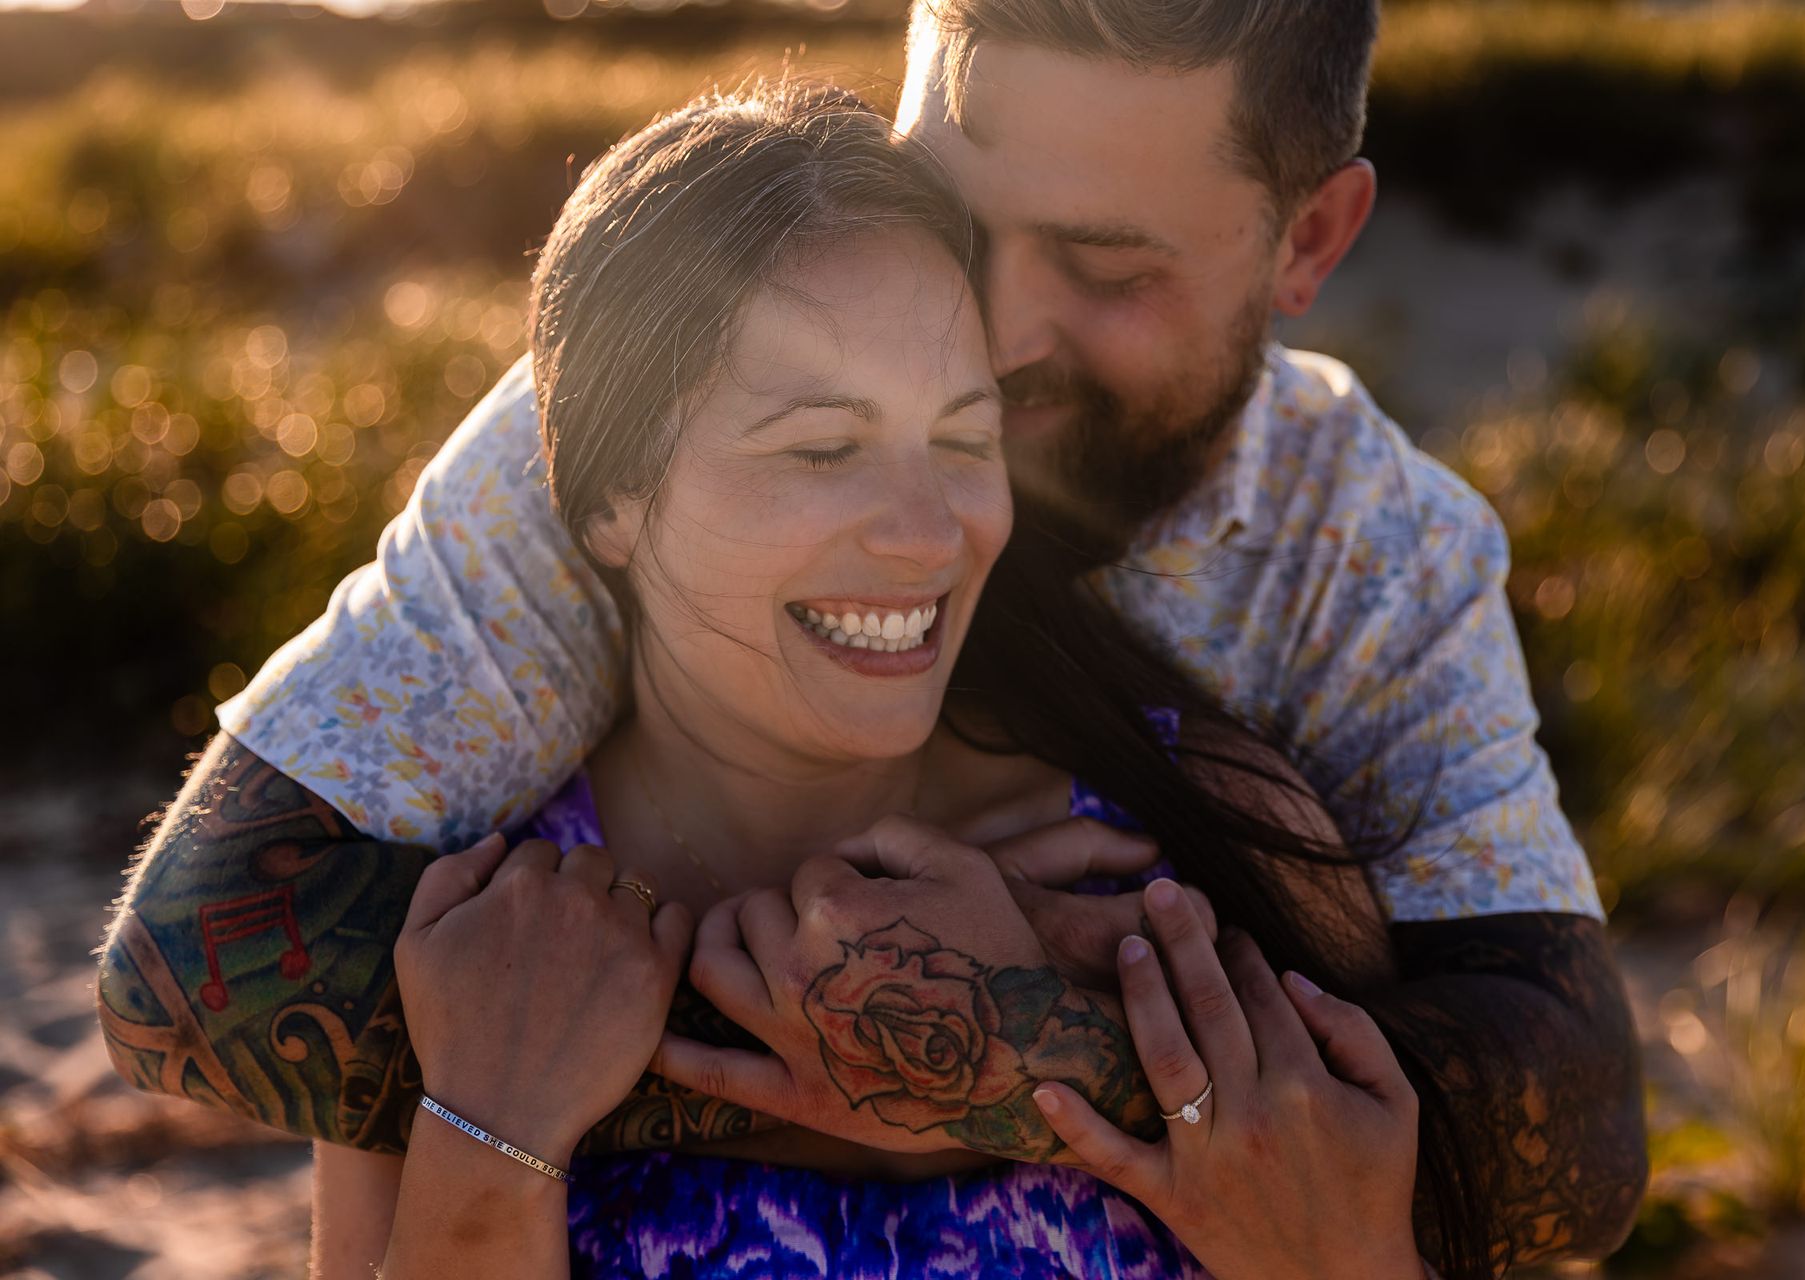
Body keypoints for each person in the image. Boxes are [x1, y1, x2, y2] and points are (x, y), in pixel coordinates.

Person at [95, 0, 1648, 1272]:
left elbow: (1569, 1130)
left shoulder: (1366, 557)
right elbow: (198, 960)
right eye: (954, 218)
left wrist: (1012, 1045)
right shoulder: (643, 420)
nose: (1001, 328)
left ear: (1310, 240)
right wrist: (885, 1026)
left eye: (1105, 267)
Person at [323, 81, 1440, 1278]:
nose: (928, 534)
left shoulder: (1195, 852)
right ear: (607, 501)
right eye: (823, 448)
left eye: (963, 439)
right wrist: (493, 1135)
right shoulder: (479, 946)